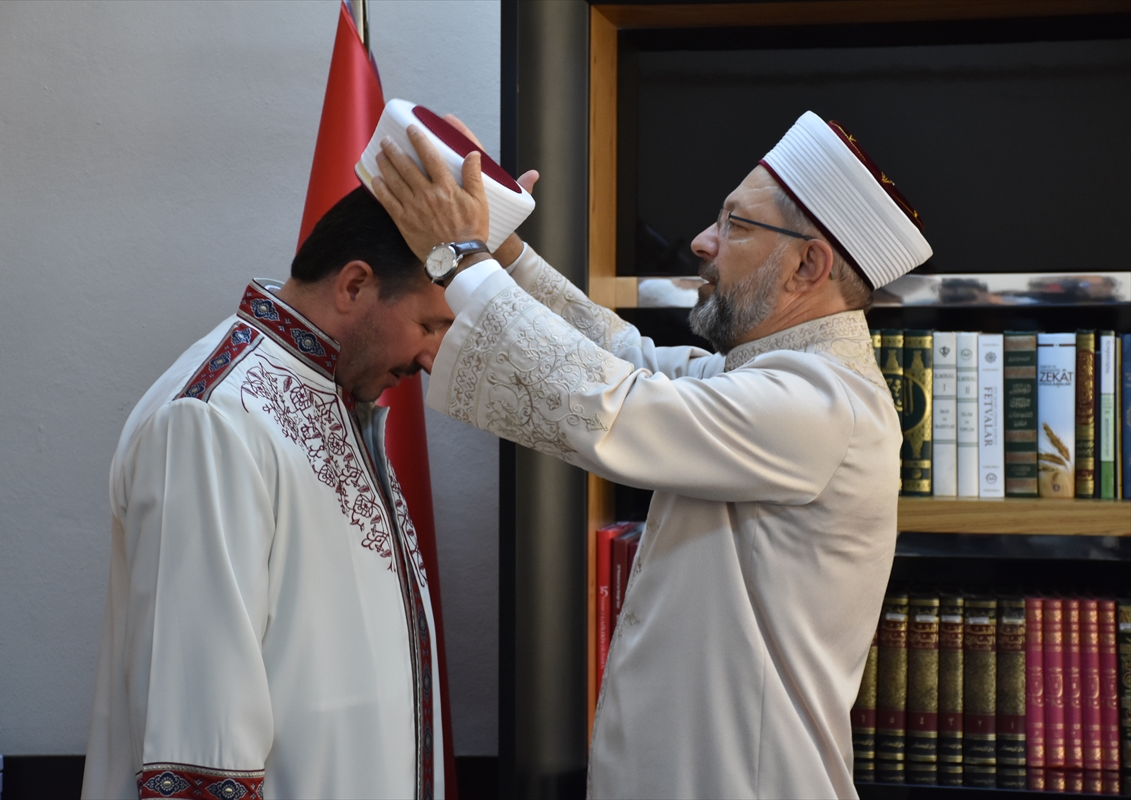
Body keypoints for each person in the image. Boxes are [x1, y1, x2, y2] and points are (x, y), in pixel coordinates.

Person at [371, 111, 931, 798]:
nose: (701, 242)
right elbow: (623, 358)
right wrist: (502, 248)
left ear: (807, 265)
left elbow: (620, 409)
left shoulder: (823, 403)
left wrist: (459, 258)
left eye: (736, 225)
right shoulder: (774, 375)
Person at [82, 186, 455, 800]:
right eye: (428, 324)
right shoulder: (210, 420)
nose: (431, 355)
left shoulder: (335, 399)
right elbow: (199, 734)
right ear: (355, 285)